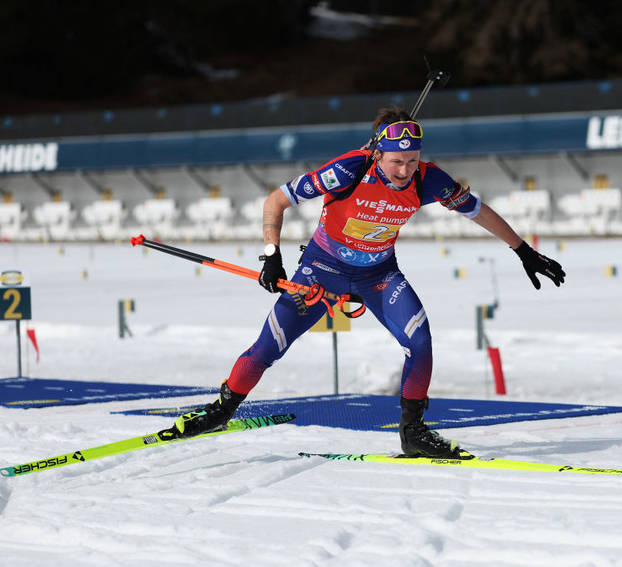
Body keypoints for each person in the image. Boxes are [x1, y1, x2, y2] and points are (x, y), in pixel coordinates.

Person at [169, 107, 565, 458]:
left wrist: (522, 250)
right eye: (397, 162)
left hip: (379, 275)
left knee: (420, 341)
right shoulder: (348, 170)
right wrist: (273, 257)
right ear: (377, 153)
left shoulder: (428, 180)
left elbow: (478, 211)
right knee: (268, 347)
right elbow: (276, 200)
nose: (405, 171)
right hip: (322, 272)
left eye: (413, 161)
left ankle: (413, 433)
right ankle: (221, 411)